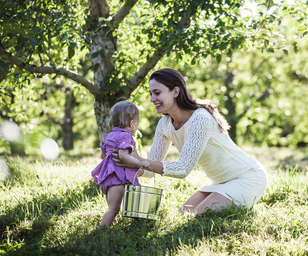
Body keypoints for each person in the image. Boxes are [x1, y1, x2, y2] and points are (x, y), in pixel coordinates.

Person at [114, 68, 268, 215]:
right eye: (150, 94)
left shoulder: (200, 118)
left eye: (157, 93)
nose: (152, 99)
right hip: (219, 182)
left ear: (175, 91)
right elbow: (149, 168)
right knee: (184, 214)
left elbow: (183, 169)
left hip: (247, 177)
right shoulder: (164, 124)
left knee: (196, 216)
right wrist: (127, 162)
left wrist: (139, 161)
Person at [92, 100, 150, 227]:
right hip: (117, 180)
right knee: (113, 210)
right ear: (131, 123)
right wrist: (139, 163)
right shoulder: (126, 136)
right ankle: (102, 232)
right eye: (137, 123)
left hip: (108, 177)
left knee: (113, 208)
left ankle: (111, 228)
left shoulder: (109, 135)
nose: (137, 126)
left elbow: (103, 156)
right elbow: (123, 156)